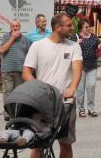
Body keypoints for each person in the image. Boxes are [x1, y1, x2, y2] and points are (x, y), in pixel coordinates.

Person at [22, 13, 82, 158]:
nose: (71, 27)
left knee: (65, 143)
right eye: (68, 25)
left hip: (65, 102)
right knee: (38, 144)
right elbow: (26, 72)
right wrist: (39, 89)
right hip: (42, 103)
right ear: (57, 27)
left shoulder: (74, 46)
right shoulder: (38, 46)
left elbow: (77, 69)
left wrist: (72, 88)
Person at [0, 20, 31, 118]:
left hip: (20, 70)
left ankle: (17, 112)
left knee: (19, 92)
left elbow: (29, 54)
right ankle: (7, 112)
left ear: (20, 27)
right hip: (7, 69)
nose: (15, 27)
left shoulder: (25, 39)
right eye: (13, 26)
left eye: (17, 26)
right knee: (8, 91)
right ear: (10, 27)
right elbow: (2, 50)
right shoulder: (5, 37)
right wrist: (12, 38)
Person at [73, 20, 101, 117]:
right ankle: (81, 108)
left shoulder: (93, 36)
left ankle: (91, 108)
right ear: (81, 28)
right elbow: (70, 49)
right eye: (86, 27)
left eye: (89, 26)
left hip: (92, 65)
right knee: (80, 89)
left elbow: (99, 47)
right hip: (80, 66)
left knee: (91, 86)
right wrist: (76, 43)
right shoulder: (75, 36)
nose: (88, 28)